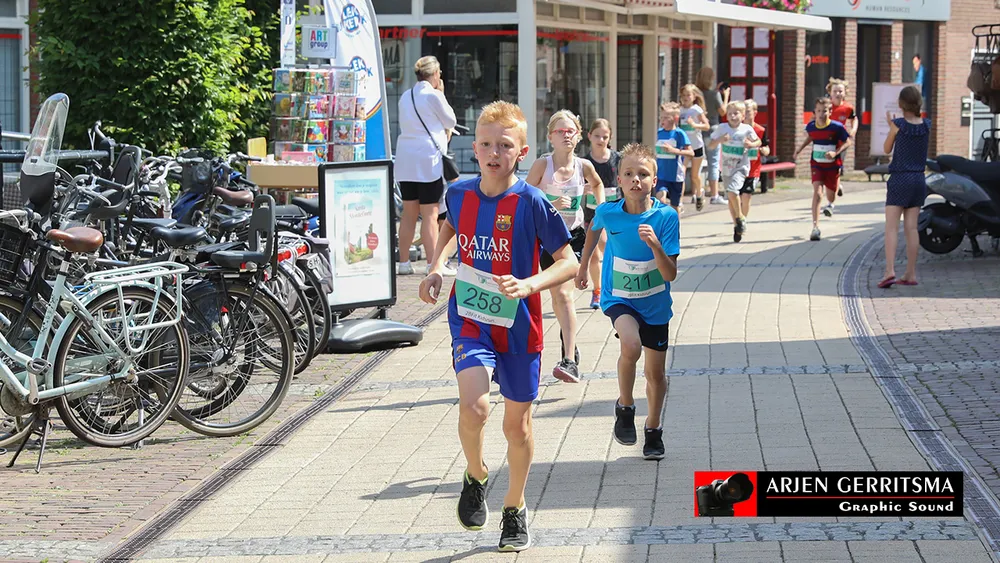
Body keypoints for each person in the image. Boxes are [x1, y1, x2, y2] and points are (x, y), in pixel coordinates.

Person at [418, 101, 578, 553]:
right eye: (487, 144)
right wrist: (437, 266)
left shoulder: (532, 202)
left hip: (519, 326)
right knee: (474, 408)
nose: (494, 153)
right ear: (474, 148)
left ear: (522, 152)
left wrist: (530, 283)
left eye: (505, 146)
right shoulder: (459, 193)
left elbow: (567, 262)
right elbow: (450, 228)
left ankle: (514, 505)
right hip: (470, 317)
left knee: (518, 428)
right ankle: (476, 474)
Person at [575, 143, 680, 460]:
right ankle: (625, 406)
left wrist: (656, 246)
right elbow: (593, 231)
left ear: (654, 180)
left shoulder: (666, 217)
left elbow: (670, 274)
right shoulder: (608, 212)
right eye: (629, 174)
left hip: (655, 304)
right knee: (630, 345)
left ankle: (653, 428)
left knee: (655, 375)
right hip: (619, 297)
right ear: (619, 180)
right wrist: (583, 266)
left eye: (643, 174)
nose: (636, 179)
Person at [525, 110, 604, 384]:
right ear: (551, 137)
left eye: (571, 131)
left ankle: (569, 360)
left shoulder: (584, 166)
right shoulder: (542, 165)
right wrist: (550, 204)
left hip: (576, 237)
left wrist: (600, 209)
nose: (566, 135)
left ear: (579, 136)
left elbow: (597, 184)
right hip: (549, 240)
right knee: (558, 298)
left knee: (563, 294)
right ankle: (569, 345)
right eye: (560, 131)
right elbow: (523, 198)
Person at [395, 55, 457, 276]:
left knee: (409, 213)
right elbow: (451, 121)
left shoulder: (406, 96)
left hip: (406, 160)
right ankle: (433, 264)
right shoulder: (433, 95)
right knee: (430, 214)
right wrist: (441, 93)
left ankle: (404, 263)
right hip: (427, 161)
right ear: (435, 74)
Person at [879, 86, 930, 289]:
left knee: (892, 226)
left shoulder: (898, 124)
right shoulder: (926, 125)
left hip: (900, 178)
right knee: (912, 228)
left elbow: (886, 149)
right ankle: (910, 273)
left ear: (901, 104)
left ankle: (889, 271)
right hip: (918, 179)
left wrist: (891, 127)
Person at [793, 97, 852, 242]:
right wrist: (799, 149)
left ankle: (834, 195)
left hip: (832, 165)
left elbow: (848, 142)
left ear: (830, 111)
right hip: (817, 164)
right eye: (818, 111)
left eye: (824, 111)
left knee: (830, 196)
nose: (821, 114)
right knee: (818, 193)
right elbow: (811, 137)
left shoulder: (837, 127)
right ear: (814, 112)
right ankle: (815, 227)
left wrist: (835, 153)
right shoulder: (811, 126)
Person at [708, 102, 761, 243]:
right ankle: (738, 223)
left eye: (736, 113)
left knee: (733, 192)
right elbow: (711, 145)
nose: (733, 116)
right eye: (730, 113)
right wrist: (720, 140)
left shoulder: (746, 129)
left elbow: (758, 142)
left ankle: (740, 218)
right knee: (731, 198)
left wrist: (751, 144)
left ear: (743, 116)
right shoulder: (722, 128)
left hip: (740, 167)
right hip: (726, 168)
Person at [584, 119, 621, 310]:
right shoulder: (584, 162)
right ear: (589, 136)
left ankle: (612, 284)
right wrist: (584, 189)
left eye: (605, 137)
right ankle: (597, 290)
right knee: (593, 254)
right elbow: (574, 186)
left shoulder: (618, 158)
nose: (601, 140)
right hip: (591, 213)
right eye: (597, 136)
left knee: (606, 244)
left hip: (614, 212)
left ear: (610, 138)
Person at [696, 67, 730, 206]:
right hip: (713, 131)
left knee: (697, 163)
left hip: (698, 131)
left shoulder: (695, 94)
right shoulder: (715, 94)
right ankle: (715, 195)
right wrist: (725, 96)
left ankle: (696, 194)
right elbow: (723, 112)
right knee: (713, 163)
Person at [654, 102, 693, 212]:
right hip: (661, 175)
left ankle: (675, 222)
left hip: (676, 176)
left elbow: (691, 153)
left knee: (675, 207)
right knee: (661, 200)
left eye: (666, 118)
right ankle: (663, 221)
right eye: (661, 117)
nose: (662, 120)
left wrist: (673, 151)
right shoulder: (659, 133)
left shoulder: (679, 134)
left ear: (675, 118)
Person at [679, 84, 711, 211]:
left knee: (694, 176)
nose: (686, 97)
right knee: (681, 173)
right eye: (683, 95)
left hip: (696, 146)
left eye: (688, 95)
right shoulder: (679, 110)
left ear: (694, 97)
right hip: (684, 147)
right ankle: (679, 202)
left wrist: (694, 125)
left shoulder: (696, 110)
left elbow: (707, 126)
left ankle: (699, 194)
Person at [741, 99, 770, 226]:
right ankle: (738, 217)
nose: (745, 114)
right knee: (737, 197)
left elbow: (766, 147)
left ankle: (742, 220)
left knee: (746, 196)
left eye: (748, 111)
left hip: (753, 169)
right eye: (743, 111)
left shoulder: (760, 130)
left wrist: (765, 150)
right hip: (737, 168)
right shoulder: (737, 129)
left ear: (755, 112)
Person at [827, 78, 858, 197]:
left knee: (837, 167)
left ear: (845, 92)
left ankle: (835, 187)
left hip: (841, 141)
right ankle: (836, 184)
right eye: (835, 91)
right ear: (830, 92)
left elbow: (854, 119)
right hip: (826, 140)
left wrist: (853, 129)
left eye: (840, 91)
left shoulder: (848, 108)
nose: (838, 94)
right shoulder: (827, 106)